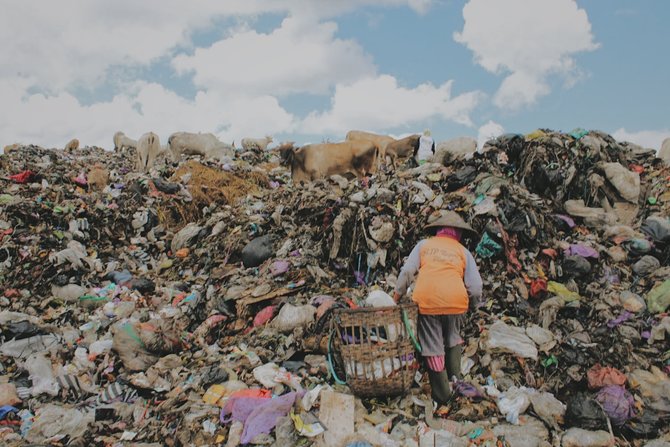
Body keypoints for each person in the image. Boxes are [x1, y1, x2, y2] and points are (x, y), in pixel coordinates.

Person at [393, 210, 482, 404]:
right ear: (458, 234)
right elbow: (475, 287)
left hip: (427, 301)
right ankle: (456, 379)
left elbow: (407, 271)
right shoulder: (463, 252)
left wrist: (396, 296)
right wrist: (473, 307)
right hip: (457, 302)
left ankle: (443, 396)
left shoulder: (424, 245)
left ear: (438, 231)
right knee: (453, 336)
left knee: (432, 345)